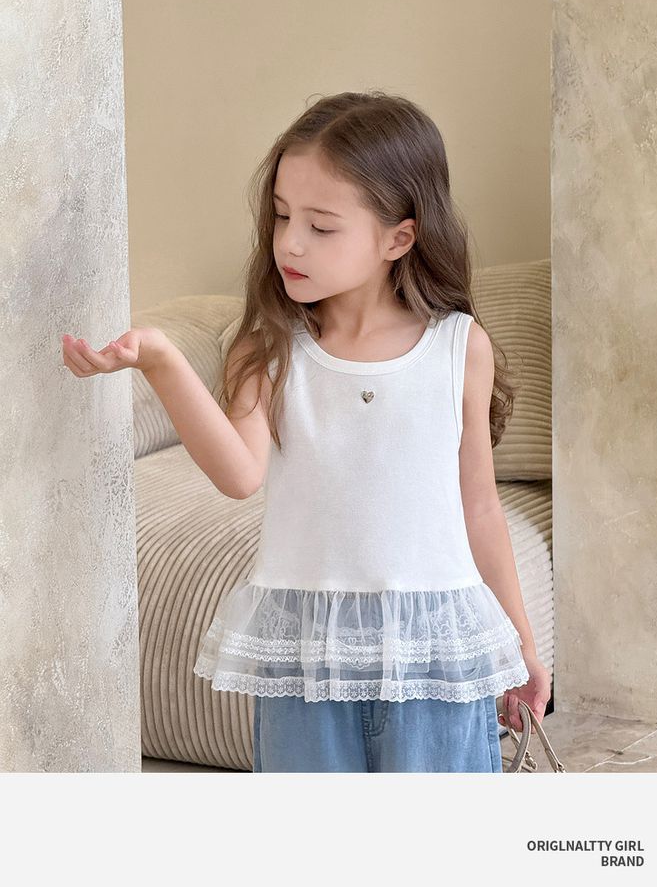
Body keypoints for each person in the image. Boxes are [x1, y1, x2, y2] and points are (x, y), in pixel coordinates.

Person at [62, 90, 551, 773]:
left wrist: (521, 643)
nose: (290, 242)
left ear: (399, 238)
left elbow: (478, 506)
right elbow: (239, 474)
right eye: (282, 215)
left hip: (433, 655)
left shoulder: (459, 347)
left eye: (321, 226)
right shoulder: (269, 345)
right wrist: (163, 361)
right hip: (305, 660)